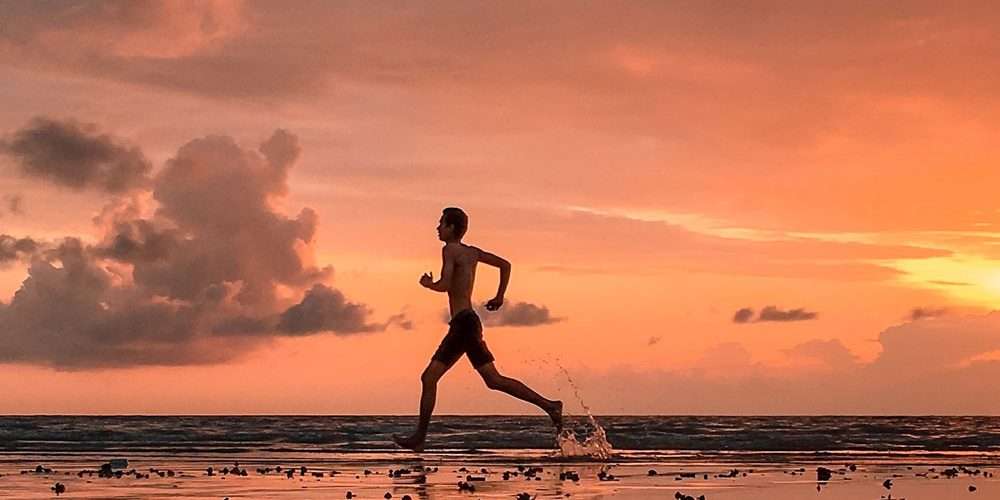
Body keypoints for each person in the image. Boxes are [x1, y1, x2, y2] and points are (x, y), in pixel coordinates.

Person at [392, 207, 563, 452]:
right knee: (493, 380)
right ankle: (550, 406)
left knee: (429, 377)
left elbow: (445, 284)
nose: (437, 227)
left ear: (452, 228)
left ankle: (420, 437)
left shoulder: (449, 250)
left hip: (463, 324)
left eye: (441, 223)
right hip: (469, 322)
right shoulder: (472, 253)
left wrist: (428, 284)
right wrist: (500, 296)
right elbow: (505, 265)